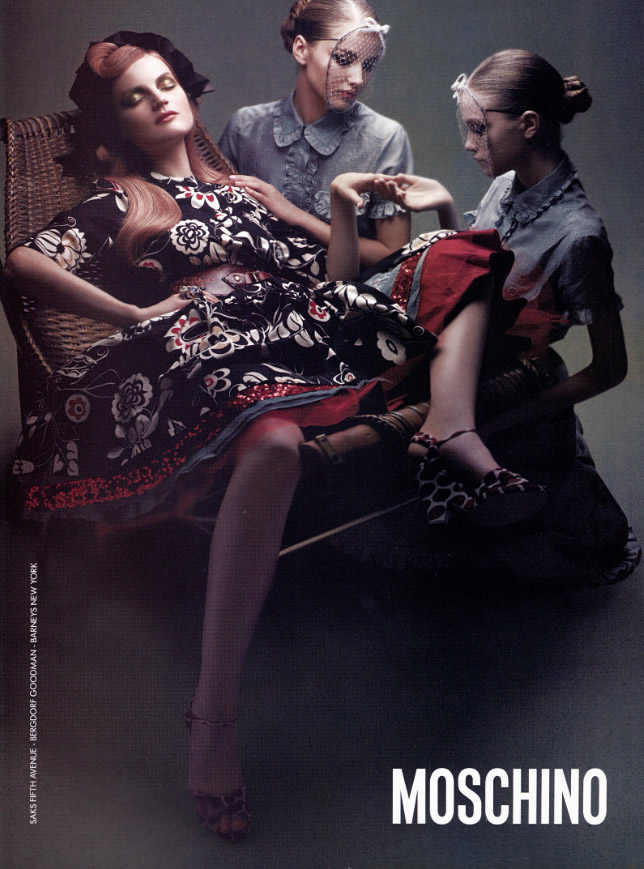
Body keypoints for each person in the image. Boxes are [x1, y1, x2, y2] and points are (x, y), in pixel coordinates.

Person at [4, 34, 544, 843]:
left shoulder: (248, 192)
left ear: (187, 91)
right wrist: (131, 313)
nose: (158, 100)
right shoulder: (120, 202)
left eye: (165, 82)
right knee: (275, 444)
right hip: (212, 353)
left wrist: (331, 209)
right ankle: (213, 712)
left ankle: (449, 425)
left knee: (460, 252)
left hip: (305, 334)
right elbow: (20, 261)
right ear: (115, 126)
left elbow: (335, 279)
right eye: (132, 97)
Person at [357, 49, 640, 583]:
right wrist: (444, 206)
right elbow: (466, 278)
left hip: (514, 390)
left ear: (528, 124)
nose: (468, 144)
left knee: (516, 556)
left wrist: (503, 419)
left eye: (478, 129)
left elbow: (610, 368)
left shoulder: (577, 235)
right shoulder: (505, 186)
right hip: (455, 368)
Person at [217, 0, 422, 268]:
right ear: (301, 49)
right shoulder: (245, 127)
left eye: (368, 65)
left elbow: (392, 254)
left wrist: (296, 216)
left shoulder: (385, 138)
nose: (358, 78)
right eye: (343, 59)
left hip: (344, 292)